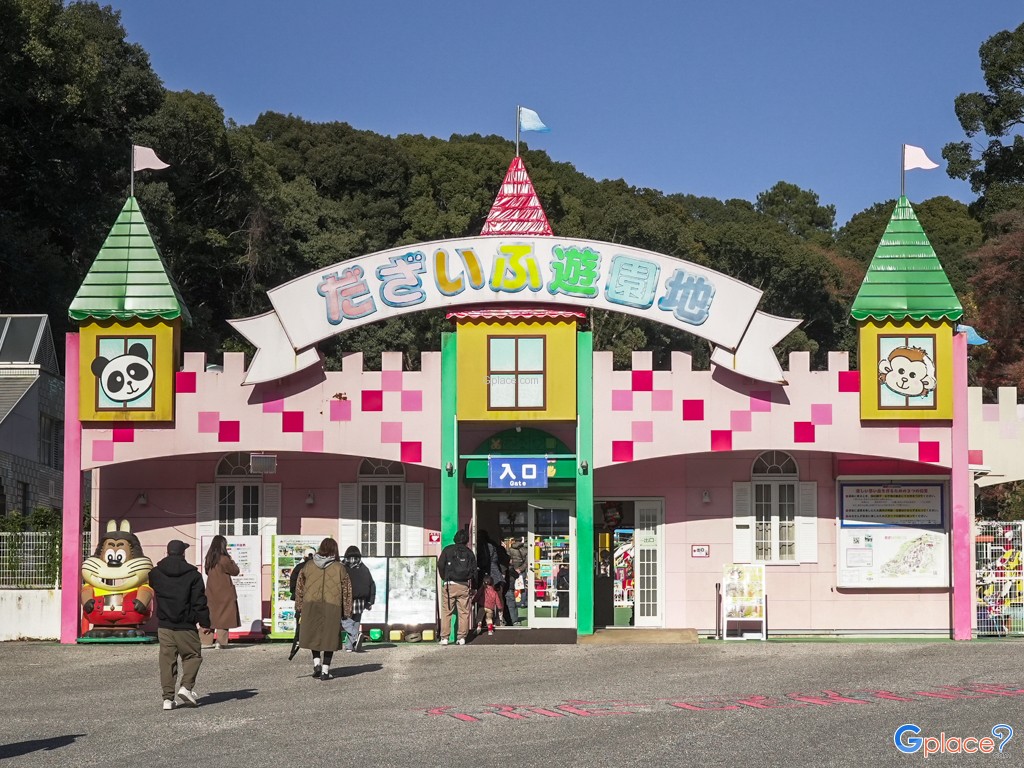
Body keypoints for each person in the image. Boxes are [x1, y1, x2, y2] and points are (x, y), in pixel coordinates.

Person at [148, 539, 210, 710]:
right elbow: (199, 601)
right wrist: (205, 622)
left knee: (167, 661)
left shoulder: (155, 573)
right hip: (186, 625)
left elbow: (153, 585)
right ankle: (186, 687)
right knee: (192, 656)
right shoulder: (193, 575)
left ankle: (167, 699)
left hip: (164, 625)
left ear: (167, 552)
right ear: (183, 553)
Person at [295, 537, 352, 680]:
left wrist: (299, 606)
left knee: (313, 635)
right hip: (332, 606)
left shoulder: (308, 566)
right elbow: (347, 590)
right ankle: (326, 671)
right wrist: (347, 610)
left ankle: (316, 664)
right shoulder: (340, 568)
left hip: (310, 605)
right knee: (330, 637)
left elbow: (299, 587)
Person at [436, 529, 476, 645]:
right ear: (467, 540)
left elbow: (440, 564)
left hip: (449, 585)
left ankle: (444, 638)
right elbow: (474, 571)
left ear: (455, 538)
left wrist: (444, 577)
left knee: (446, 612)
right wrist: (473, 586)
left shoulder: (448, 550)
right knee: (463, 612)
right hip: (464, 585)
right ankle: (462, 637)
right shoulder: (469, 553)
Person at [202, 535, 240, 649]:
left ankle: (205, 641)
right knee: (224, 617)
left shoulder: (209, 558)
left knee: (210, 615)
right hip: (225, 591)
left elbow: (207, 572)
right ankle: (221, 642)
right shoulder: (224, 559)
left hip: (211, 591)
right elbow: (235, 571)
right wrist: (232, 560)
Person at [341, 546, 375, 652]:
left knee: (344, 620)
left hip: (346, 599)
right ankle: (350, 646)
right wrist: (370, 601)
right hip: (361, 600)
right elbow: (371, 584)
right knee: (355, 622)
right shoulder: (364, 568)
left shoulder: (342, 567)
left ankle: (356, 636)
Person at [506, 535, 529, 621]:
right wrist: (521, 569)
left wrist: (513, 568)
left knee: (511, 587)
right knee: (522, 587)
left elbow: (508, 560)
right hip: (521, 571)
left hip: (512, 571)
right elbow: (527, 562)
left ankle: (514, 602)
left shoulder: (510, 549)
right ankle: (522, 603)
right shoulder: (525, 549)